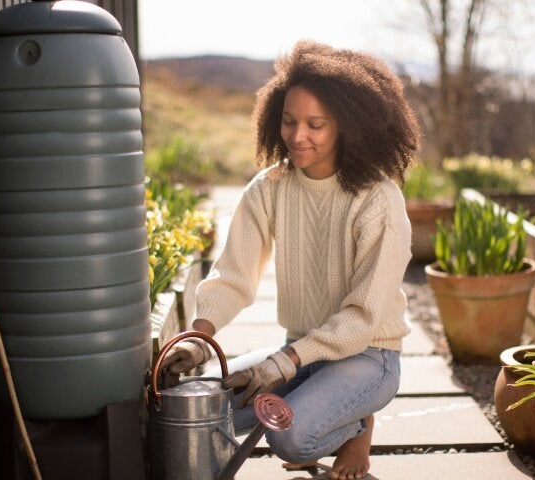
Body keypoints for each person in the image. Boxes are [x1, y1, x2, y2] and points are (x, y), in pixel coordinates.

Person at [158, 39, 421, 480]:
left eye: (316, 124)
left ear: (346, 126)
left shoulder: (378, 199)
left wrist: (284, 364)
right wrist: (197, 338)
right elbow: (232, 275)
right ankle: (325, 406)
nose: (298, 136)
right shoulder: (269, 187)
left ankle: (355, 426)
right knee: (201, 409)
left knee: (290, 437)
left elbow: (363, 317)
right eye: (289, 121)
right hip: (299, 351)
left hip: (369, 357)